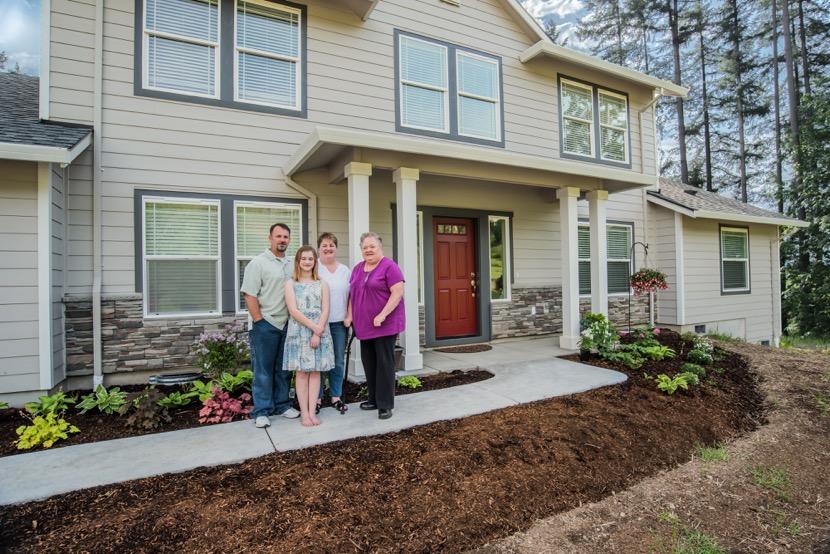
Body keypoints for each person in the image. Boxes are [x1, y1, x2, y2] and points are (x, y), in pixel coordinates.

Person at [240, 223, 301, 428]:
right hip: (266, 323)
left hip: (288, 324)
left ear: (289, 240)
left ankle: (282, 405)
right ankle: (262, 411)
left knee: (284, 369)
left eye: (285, 237)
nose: (282, 240)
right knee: (263, 370)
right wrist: (259, 320)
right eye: (278, 236)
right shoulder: (258, 263)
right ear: (270, 238)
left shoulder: (292, 263)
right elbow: (249, 294)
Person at [345, 232, 404, 420]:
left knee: (384, 364)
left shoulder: (390, 266)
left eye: (372, 246)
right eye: (365, 247)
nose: (368, 250)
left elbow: (397, 293)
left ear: (380, 247)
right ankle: (373, 399)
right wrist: (349, 316)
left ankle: (385, 404)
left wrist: (383, 314)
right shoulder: (357, 269)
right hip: (363, 325)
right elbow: (352, 295)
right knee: (369, 363)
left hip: (385, 324)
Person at [283, 246, 335, 427]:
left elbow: (326, 308)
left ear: (315, 262)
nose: (307, 262)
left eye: (310, 259)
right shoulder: (291, 283)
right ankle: (304, 414)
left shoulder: (322, 283)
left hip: (319, 331)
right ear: (298, 261)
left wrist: (318, 331)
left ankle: (313, 412)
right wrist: (314, 328)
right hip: (299, 332)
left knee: (315, 372)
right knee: (301, 373)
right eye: (303, 258)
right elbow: (293, 310)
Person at [316, 232, 351, 414]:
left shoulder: (345, 270)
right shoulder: (314, 268)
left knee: (337, 361)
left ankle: (336, 397)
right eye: (324, 245)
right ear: (319, 248)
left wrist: (349, 316)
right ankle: (317, 398)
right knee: (320, 361)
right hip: (319, 324)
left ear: (336, 248)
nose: (328, 248)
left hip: (339, 323)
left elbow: (352, 296)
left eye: (331, 245)